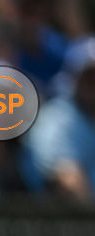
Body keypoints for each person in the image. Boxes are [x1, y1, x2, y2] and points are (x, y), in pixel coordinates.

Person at [27, 45, 95, 203]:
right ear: (73, 78)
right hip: (60, 219)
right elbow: (68, 180)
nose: (94, 85)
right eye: (89, 78)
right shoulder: (56, 117)